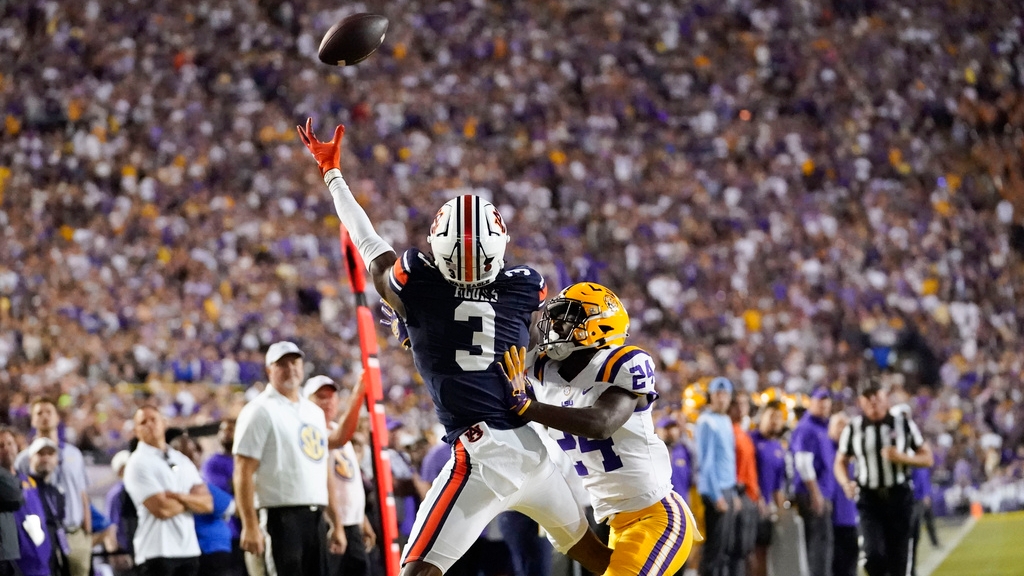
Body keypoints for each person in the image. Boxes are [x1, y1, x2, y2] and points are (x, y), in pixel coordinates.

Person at [297, 119, 611, 576]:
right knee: (599, 560)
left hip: (483, 455)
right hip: (533, 449)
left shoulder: (416, 283)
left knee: (417, 570)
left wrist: (332, 173)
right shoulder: (524, 287)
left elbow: (367, 241)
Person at [499, 281, 697, 575]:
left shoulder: (622, 363)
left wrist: (531, 408)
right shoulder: (543, 371)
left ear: (599, 327)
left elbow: (601, 423)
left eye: (566, 319)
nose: (554, 326)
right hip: (614, 521)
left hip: (657, 516)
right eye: (554, 318)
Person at [232, 341, 346, 576]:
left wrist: (336, 522)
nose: (290, 368)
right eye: (281, 364)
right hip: (280, 516)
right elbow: (243, 471)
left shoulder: (313, 412)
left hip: (315, 515)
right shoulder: (259, 410)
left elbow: (322, 470)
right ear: (269, 370)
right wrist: (250, 525)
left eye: (294, 362)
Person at [835, 382, 934, 576]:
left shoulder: (903, 423)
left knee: (899, 561)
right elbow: (840, 461)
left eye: (876, 397)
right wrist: (845, 482)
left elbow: (927, 457)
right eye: (867, 397)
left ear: (885, 398)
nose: (873, 402)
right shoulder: (854, 428)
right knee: (872, 557)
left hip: (898, 497)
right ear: (861, 401)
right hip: (869, 498)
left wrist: (902, 457)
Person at [123, 406, 212, 576]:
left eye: (153, 419)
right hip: (156, 551)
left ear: (164, 423)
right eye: (143, 422)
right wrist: (191, 500)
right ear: (136, 431)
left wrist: (178, 496)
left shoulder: (182, 459)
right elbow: (162, 509)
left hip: (188, 550)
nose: (149, 425)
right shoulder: (137, 463)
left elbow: (207, 503)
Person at [304, 375, 376, 576]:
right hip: (330, 523)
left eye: (332, 396)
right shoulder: (311, 433)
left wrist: (362, 521)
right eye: (321, 397)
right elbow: (343, 436)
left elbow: (349, 483)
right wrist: (358, 394)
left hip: (351, 524)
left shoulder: (335, 429)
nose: (328, 402)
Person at [15, 398, 92, 576]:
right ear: (32, 420)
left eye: (48, 412)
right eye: (39, 413)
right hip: (41, 533)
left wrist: (86, 532)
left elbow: (82, 492)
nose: (44, 417)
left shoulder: (74, 454)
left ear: (57, 418)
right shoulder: (24, 459)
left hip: (73, 533)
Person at [168, 432, 239, 576]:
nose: (194, 456)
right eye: (187, 452)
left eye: (194, 450)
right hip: (209, 548)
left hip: (196, 549)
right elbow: (229, 507)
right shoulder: (195, 482)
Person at [789, 387, 836, 576]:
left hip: (821, 491)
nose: (824, 404)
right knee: (819, 543)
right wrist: (816, 493)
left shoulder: (823, 425)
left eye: (827, 401)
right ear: (811, 402)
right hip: (812, 493)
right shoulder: (806, 427)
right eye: (820, 401)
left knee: (822, 542)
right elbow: (802, 463)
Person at [696, 377, 739, 576]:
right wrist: (717, 495)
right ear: (710, 397)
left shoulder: (725, 420)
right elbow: (707, 462)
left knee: (725, 548)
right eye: (717, 394)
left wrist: (734, 493)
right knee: (714, 548)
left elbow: (727, 458)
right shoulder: (707, 421)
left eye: (725, 394)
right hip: (716, 491)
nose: (722, 399)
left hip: (727, 488)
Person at [749, 401, 786, 576]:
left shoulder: (779, 447)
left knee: (763, 551)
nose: (775, 421)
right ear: (761, 417)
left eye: (779, 418)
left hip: (767, 509)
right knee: (748, 551)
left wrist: (781, 511)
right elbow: (746, 474)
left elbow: (778, 486)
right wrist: (757, 497)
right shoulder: (751, 440)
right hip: (750, 504)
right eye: (771, 416)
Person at [27, 437, 71, 576]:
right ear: (30, 459)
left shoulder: (57, 492)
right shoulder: (23, 489)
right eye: (40, 454)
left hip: (53, 559)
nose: (45, 458)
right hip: (32, 560)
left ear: (57, 460)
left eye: (50, 454)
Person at [728, 393, 759, 576]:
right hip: (738, 494)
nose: (741, 408)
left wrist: (757, 494)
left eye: (744, 404)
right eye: (737, 404)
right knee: (736, 549)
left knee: (746, 548)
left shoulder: (743, 433)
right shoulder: (728, 431)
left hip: (749, 494)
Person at [827, 413, 858, 576]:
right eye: (838, 425)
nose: (841, 429)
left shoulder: (855, 451)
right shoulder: (825, 448)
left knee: (850, 564)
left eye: (844, 425)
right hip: (828, 518)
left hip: (850, 518)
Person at [0, 427, 27, 576]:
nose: (6, 449)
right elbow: (16, 496)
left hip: (13, 552)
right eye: (1, 446)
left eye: (10, 443)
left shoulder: (26, 478)